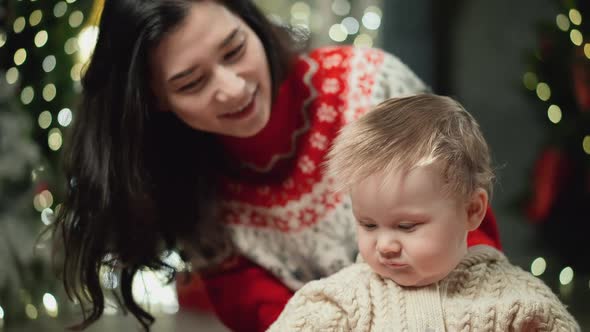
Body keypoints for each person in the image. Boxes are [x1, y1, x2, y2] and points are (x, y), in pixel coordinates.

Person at [52, 1, 501, 331]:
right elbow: (274, 321)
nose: (232, 88)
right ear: (155, 101)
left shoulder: (373, 88)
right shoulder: (186, 185)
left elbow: (472, 239)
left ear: (251, 23)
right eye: (192, 83)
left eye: (233, 51)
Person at [268, 94, 579, 331]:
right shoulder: (339, 301)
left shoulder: (518, 302)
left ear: (472, 211)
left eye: (406, 226)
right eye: (368, 224)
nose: (385, 245)